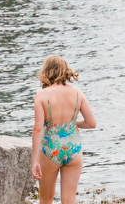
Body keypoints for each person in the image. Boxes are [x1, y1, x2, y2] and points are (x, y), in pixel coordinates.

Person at [30, 56, 96, 204]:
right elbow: (91, 123)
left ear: (46, 71)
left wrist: (35, 161)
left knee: (46, 199)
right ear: (65, 71)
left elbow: (38, 129)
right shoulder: (78, 93)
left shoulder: (42, 95)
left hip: (50, 150)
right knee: (69, 200)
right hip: (73, 150)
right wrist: (70, 124)